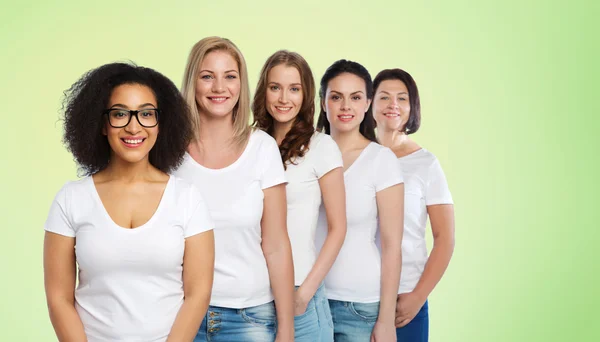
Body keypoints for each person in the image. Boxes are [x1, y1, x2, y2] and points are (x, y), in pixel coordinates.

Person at [43, 62, 215, 342]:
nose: (134, 127)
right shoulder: (71, 199)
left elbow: (198, 294)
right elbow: (58, 298)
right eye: (120, 114)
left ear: (161, 124)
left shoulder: (187, 199)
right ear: (101, 124)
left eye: (146, 114)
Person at [174, 37, 295, 342]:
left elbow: (277, 244)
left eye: (229, 76)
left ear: (241, 84)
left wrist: (287, 329)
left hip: (249, 316)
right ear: (192, 82)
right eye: (207, 76)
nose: (219, 87)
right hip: (180, 313)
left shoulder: (262, 149)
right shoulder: (168, 152)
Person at [252, 50, 346, 341]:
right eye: (275, 87)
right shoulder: (250, 144)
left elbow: (338, 228)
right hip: (252, 292)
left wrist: (305, 293)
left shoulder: (322, 146)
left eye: (294, 89)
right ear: (263, 92)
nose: (284, 98)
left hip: (299, 291)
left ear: (305, 95)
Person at [315, 59, 404, 342]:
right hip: (307, 301)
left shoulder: (381, 161)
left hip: (360, 307)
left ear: (367, 103)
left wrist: (387, 320)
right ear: (323, 102)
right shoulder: (305, 153)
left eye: (355, 97)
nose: (345, 106)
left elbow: (392, 246)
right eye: (336, 97)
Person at [372, 68, 455, 342]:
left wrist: (418, 296)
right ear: (370, 103)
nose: (392, 105)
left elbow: (445, 238)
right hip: (354, 296)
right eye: (384, 97)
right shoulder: (353, 155)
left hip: (404, 299)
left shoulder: (425, 164)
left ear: (412, 107)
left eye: (401, 98)